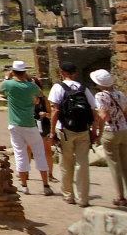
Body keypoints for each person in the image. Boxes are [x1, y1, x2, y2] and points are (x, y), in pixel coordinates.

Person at [0, 60, 54, 196]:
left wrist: (7, 77)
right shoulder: (31, 87)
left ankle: (24, 186)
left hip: (15, 124)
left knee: (20, 154)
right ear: (24, 71)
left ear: (13, 71)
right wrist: (28, 80)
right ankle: (46, 185)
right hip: (30, 124)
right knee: (39, 153)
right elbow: (40, 94)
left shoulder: (9, 84)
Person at [49, 61, 97, 207]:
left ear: (61, 72)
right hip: (83, 129)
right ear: (75, 73)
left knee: (66, 163)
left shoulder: (58, 87)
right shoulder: (84, 88)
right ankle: (83, 198)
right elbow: (94, 110)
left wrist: (52, 131)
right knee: (83, 165)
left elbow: (55, 110)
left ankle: (68, 195)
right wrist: (94, 130)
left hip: (65, 129)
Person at [90, 69, 127, 207]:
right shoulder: (120, 94)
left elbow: (103, 116)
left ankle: (120, 197)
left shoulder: (100, 96)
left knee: (114, 165)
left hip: (110, 131)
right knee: (125, 164)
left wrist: (99, 132)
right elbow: (125, 112)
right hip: (124, 130)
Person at [33, 78, 56, 181]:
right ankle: (25, 173)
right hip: (31, 126)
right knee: (28, 149)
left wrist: (45, 114)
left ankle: (50, 174)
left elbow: (51, 114)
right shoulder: (26, 98)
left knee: (47, 151)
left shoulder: (44, 99)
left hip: (44, 126)